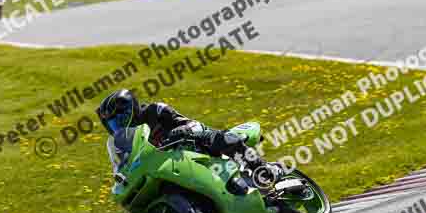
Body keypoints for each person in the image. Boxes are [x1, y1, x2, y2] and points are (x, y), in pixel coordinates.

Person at [96, 89, 285, 186]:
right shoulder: (123, 141)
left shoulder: (155, 110)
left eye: (119, 119)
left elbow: (187, 122)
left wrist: (182, 130)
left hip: (193, 142)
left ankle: (264, 169)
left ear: (131, 108)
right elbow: (126, 162)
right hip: (170, 164)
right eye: (112, 123)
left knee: (223, 140)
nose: (117, 125)